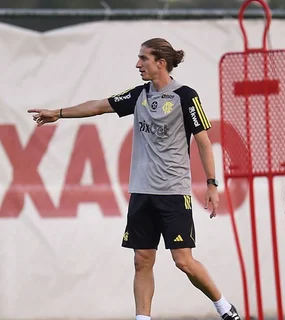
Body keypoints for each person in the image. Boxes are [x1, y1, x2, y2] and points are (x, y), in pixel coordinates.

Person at [28, 38, 242, 320]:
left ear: (160, 63)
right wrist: (58, 113)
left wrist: (212, 184)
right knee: (142, 260)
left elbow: (203, 141)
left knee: (183, 261)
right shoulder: (139, 95)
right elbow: (99, 106)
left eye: (143, 58)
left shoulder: (186, 96)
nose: (138, 64)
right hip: (141, 193)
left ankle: (223, 306)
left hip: (173, 193)